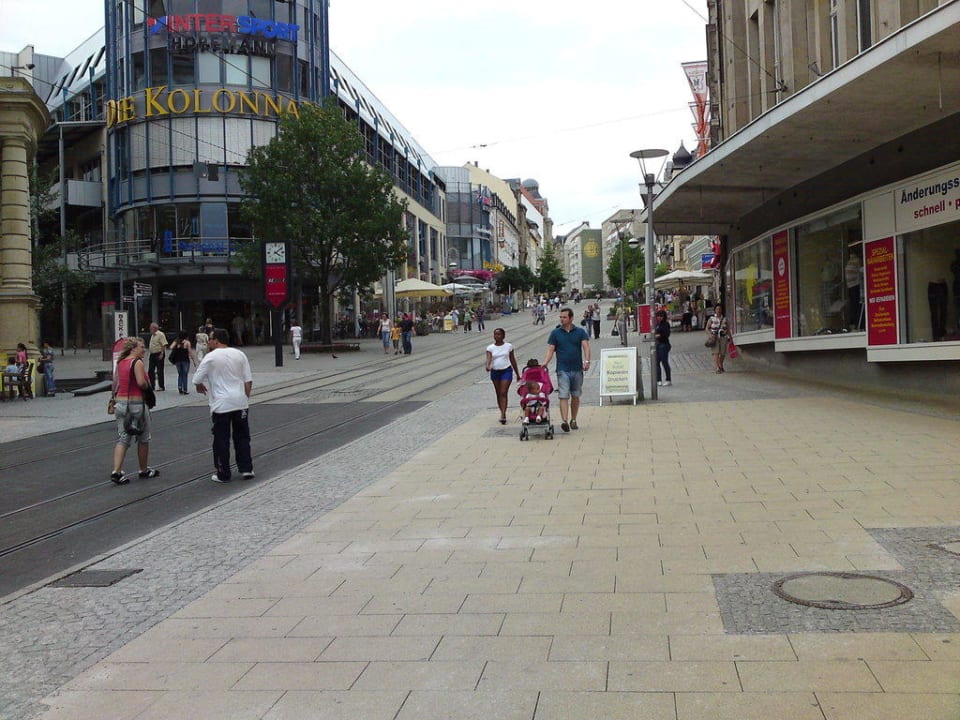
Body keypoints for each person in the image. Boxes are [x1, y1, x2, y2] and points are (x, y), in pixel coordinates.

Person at [193, 328, 254, 484]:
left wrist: (199, 384)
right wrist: (244, 399)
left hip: (221, 404)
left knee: (221, 439)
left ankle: (223, 472)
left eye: (211, 339)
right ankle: (246, 468)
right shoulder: (240, 354)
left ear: (216, 340)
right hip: (240, 401)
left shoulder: (211, 357)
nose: (209, 342)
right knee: (242, 437)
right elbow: (248, 381)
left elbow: (197, 378)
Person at [110, 337, 159, 484]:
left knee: (123, 438)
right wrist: (147, 389)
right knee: (143, 438)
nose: (143, 349)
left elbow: (116, 384)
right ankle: (143, 470)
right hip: (136, 404)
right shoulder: (136, 362)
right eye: (141, 347)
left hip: (120, 404)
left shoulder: (120, 363)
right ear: (133, 349)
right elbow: (141, 383)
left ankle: (116, 471)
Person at [541, 307, 591, 432]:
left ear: (571, 318)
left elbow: (586, 347)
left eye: (564, 317)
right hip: (562, 369)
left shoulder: (580, 332)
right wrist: (545, 362)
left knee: (575, 395)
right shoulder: (555, 333)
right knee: (563, 395)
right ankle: (564, 421)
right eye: (561, 317)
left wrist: (587, 361)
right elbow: (550, 349)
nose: (562, 319)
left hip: (577, 369)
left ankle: (573, 419)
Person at [484, 327, 520, 425]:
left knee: (503, 392)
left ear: (503, 335)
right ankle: (501, 411)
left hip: (506, 370)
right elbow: (489, 358)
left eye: (499, 334)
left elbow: (513, 360)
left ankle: (503, 414)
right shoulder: (490, 347)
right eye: (495, 334)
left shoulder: (509, 346)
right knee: (498, 393)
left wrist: (517, 374)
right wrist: (487, 366)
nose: (497, 336)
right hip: (495, 372)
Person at [706, 303, 731, 373]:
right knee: (716, 352)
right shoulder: (712, 319)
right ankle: (718, 367)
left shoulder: (725, 319)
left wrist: (730, 337)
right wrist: (710, 335)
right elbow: (707, 328)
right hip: (715, 337)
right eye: (717, 309)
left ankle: (721, 364)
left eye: (720, 309)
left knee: (723, 353)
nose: (718, 310)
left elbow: (728, 329)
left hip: (723, 337)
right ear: (715, 310)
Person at [654, 309, 672, 387]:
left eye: (661, 316)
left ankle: (668, 379)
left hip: (664, 344)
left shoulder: (666, 324)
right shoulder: (658, 324)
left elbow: (667, 334)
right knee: (657, 362)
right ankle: (659, 380)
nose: (659, 317)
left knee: (664, 362)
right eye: (658, 316)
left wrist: (659, 335)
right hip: (658, 344)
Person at [147, 322, 168, 391]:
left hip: (159, 353)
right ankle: (152, 385)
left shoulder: (160, 334)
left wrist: (162, 353)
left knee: (159, 370)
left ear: (154, 328)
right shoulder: (152, 335)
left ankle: (161, 386)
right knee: (150, 370)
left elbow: (164, 344)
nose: (150, 329)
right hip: (152, 354)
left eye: (151, 328)